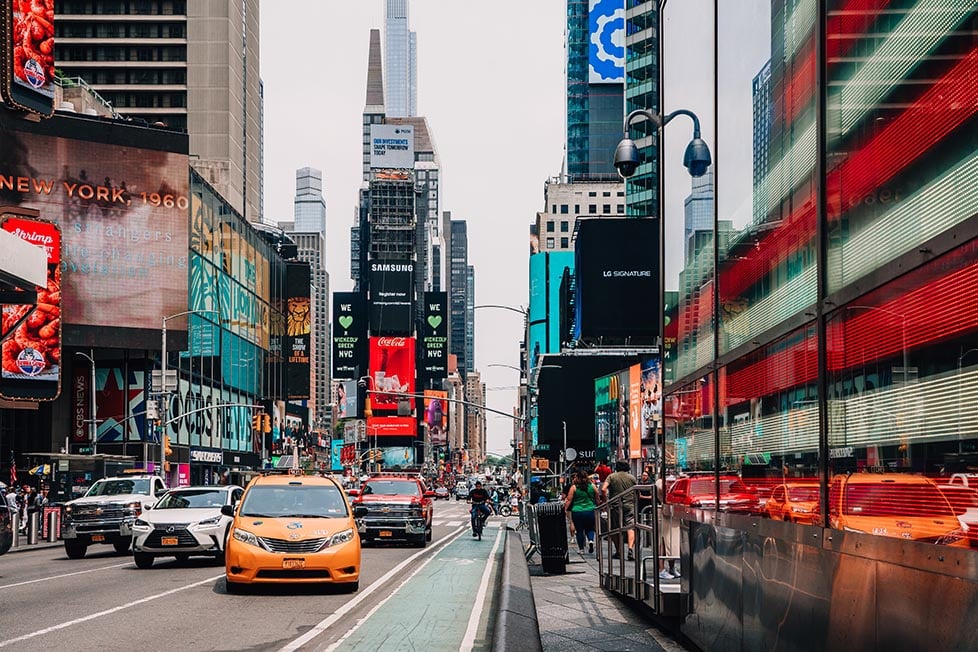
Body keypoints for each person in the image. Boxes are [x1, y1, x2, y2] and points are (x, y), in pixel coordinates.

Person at [602, 461, 637, 560]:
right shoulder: (632, 478)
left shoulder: (611, 477)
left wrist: (606, 501)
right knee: (630, 527)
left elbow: (604, 489)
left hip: (615, 506)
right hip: (630, 506)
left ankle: (618, 551)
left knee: (615, 529)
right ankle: (630, 548)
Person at [565, 469, 598, 555]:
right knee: (590, 528)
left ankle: (581, 549)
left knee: (579, 530)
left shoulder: (574, 487)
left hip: (577, 511)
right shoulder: (592, 486)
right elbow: (597, 497)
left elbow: (569, 500)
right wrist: (599, 506)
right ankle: (590, 540)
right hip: (590, 510)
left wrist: (565, 509)